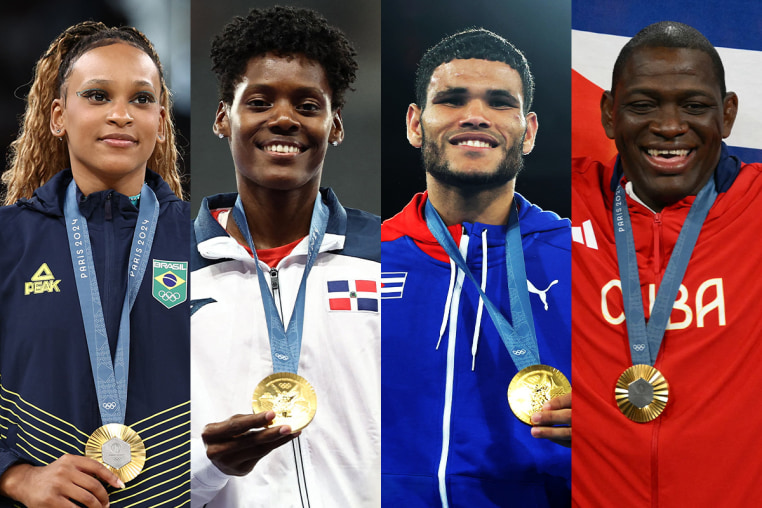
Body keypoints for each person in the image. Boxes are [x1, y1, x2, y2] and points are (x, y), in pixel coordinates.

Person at [189, 7, 380, 507]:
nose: (283, 119)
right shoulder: (166, 275)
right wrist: (207, 464)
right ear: (221, 118)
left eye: (308, 105)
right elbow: (136, 471)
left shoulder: (389, 256)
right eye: (258, 101)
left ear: (335, 125)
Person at [572, 21, 762, 506]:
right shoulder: (561, 204)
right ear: (610, 115)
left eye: (695, 106)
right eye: (643, 105)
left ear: (728, 114)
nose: (670, 126)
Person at [0, 21, 189, 508]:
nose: (122, 115)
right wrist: (16, 477)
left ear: (162, 120)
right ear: (59, 116)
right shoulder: (9, 240)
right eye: (99, 96)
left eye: (142, 100)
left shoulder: (204, 240)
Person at [381, 28, 571, 507]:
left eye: (499, 103)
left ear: (527, 132)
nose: (475, 117)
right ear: (414, 123)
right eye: (452, 99)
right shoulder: (362, 256)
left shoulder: (586, 260)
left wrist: (615, 427)